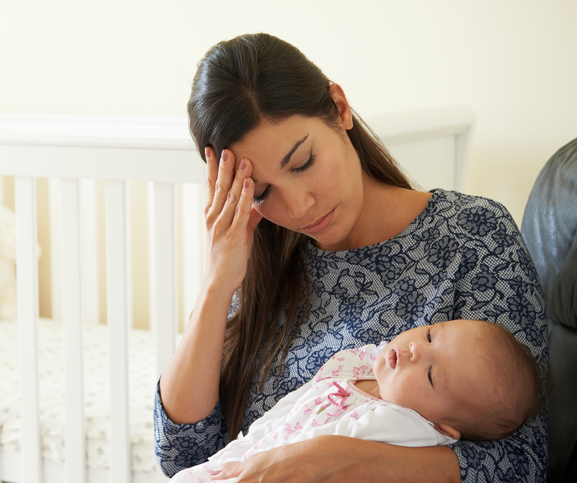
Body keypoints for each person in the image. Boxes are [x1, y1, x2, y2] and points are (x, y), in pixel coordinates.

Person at [155, 32, 549, 482]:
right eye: (262, 192)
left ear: (340, 109)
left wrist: (353, 463)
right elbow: (181, 456)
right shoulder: (255, 267)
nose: (299, 206)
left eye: (302, 162)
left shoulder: (472, 236)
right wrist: (216, 283)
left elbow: (524, 464)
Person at [169, 319, 546, 482]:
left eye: (432, 375)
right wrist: (237, 454)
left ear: (443, 429)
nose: (415, 350)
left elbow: (318, 459)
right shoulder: (363, 365)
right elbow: (287, 411)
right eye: (430, 335)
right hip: (245, 459)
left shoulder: (406, 427)